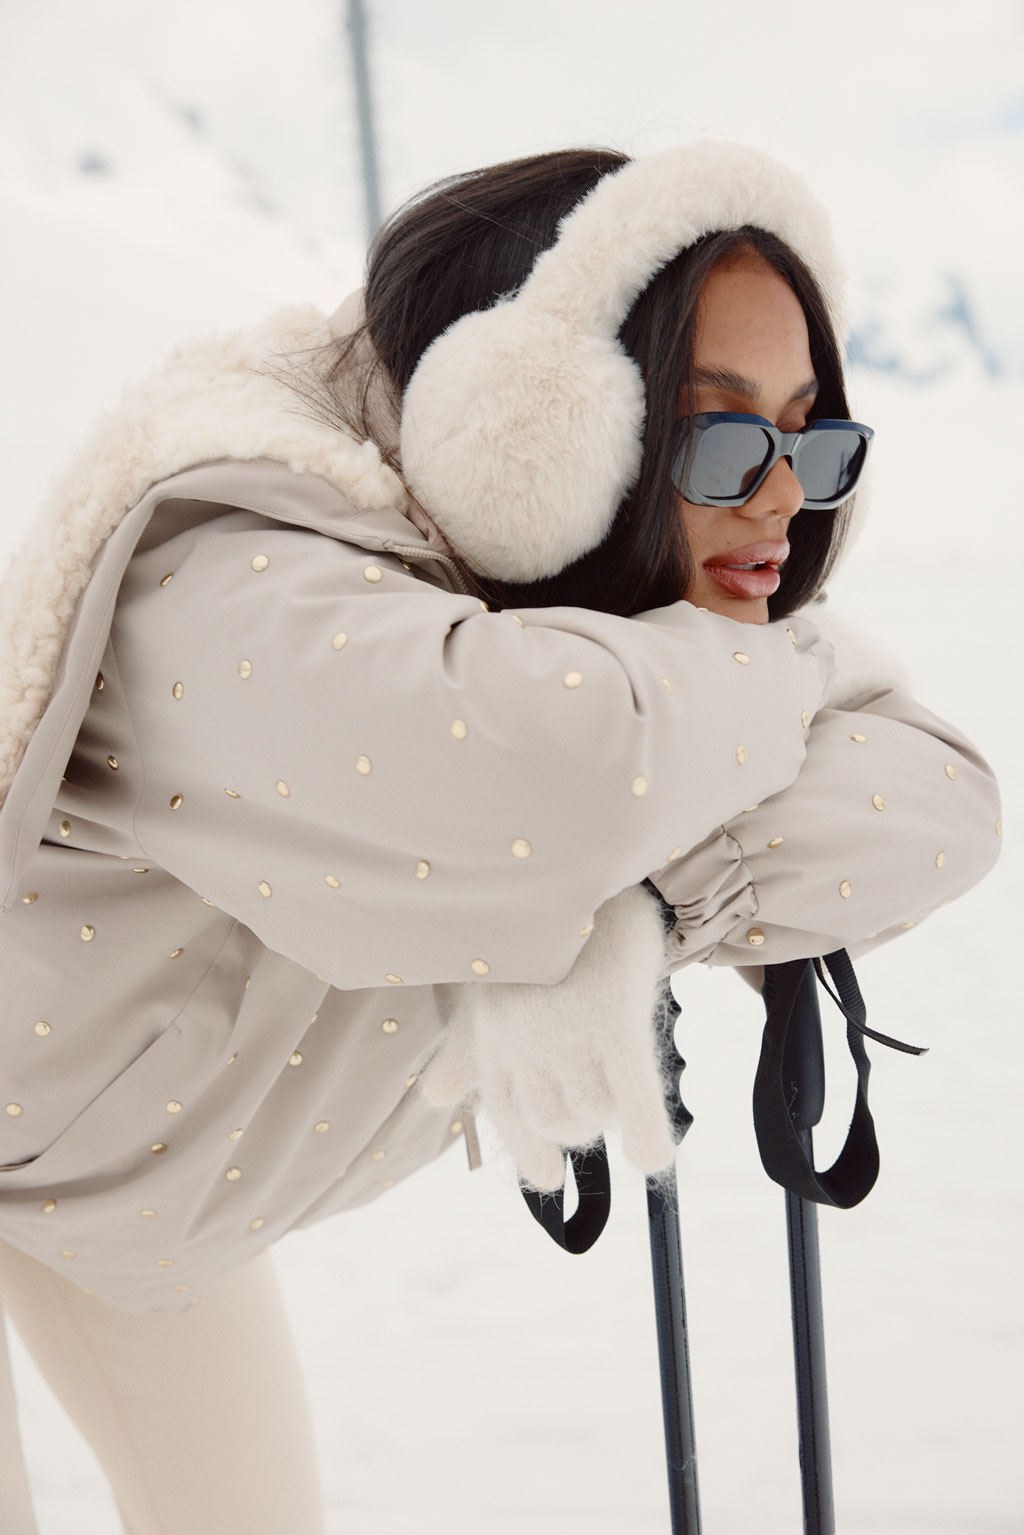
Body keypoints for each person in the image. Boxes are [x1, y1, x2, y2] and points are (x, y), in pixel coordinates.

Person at [0, 140, 1001, 1532]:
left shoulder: (599, 631)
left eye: (812, 438)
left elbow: (938, 802)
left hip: (134, 1198)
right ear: (540, 428)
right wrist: (687, 768)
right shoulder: (225, 576)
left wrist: (624, 887)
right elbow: (555, 778)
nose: (783, 503)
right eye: (722, 435)